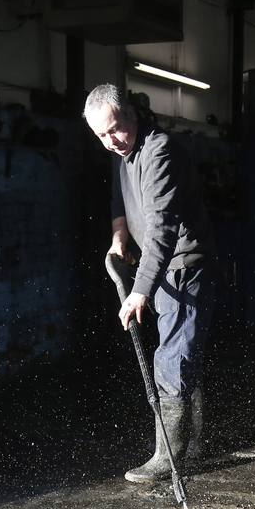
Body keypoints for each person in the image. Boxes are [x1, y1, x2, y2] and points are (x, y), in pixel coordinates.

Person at [83, 84, 216, 483]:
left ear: (130, 115)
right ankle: (194, 442)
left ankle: (169, 456)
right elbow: (118, 201)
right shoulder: (121, 154)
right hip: (160, 269)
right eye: (101, 135)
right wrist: (119, 237)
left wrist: (140, 289)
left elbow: (162, 229)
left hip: (184, 267)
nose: (110, 141)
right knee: (179, 352)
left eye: (115, 130)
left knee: (172, 359)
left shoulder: (160, 151)